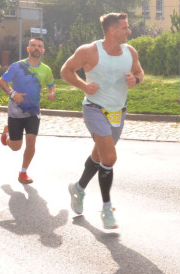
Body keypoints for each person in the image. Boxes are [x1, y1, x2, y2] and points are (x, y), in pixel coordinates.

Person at [62, 12, 144, 230]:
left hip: (119, 111)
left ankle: (78, 188)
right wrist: (83, 86)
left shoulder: (130, 52)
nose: (129, 31)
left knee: (100, 155)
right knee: (109, 156)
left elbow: (139, 73)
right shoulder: (89, 51)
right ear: (112, 30)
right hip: (94, 108)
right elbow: (66, 70)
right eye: (125, 27)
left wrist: (135, 80)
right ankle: (107, 208)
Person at [0, 37, 57, 185]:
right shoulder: (17, 66)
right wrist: (12, 94)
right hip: (16, 112)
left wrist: (52, 93)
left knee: (31, 143)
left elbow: (51, 85)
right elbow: (1, 81)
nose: (36, 48)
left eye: (39, 46)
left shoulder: (46, 69)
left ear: (42, 50)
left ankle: (23, 172)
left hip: (33, 112)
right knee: (16, 147)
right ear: (28, 49)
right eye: (33, 45)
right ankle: (8, 134)